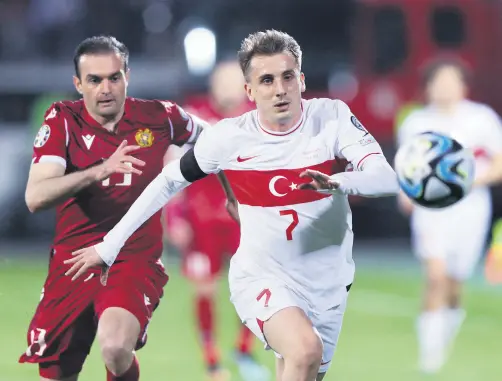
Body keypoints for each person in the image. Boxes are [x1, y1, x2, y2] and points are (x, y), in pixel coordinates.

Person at [65, 30, 399, 381]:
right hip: (262, 276)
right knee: (304, 349)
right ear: (250, 91)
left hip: (328, 282)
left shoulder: (331, 117)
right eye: (266, 80)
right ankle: (216, 359)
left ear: (301, 80)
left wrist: (339, 182)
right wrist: (110, 245)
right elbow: (166, 182)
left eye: (287, 77)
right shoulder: (229, 137)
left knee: (303, 365)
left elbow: (386, 178)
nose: (279, 89)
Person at [18, 35, 225, 381]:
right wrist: (99, 170)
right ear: (78, 84)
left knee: (115, 347)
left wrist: (233, 197)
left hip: (133, 258)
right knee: (58, 371)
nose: (105, 88)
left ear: (127, 76)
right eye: (94, 80)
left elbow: (218, 142)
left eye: (114, 77)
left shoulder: (160, 116)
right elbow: (35, 197)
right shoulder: (63, 121)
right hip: (74, 261)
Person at [164, 61, 269, 381]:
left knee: (252, 288)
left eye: (233, 82)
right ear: (212, 84)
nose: (228, 88)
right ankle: (212, 361)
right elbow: (172, 167)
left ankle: (243, 349)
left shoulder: (258, 118)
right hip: (201, 220)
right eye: (222, 81)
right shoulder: (193, 116)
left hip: (244, 219)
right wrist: (174, 216)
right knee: (205, 290)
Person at [396, 59, 502, 374]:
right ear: (428, 86)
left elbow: (499, 163)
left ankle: (448, 327)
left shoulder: (481, 118)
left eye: (450, 81)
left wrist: (469, 180)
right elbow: (405, 166)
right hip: (432, 210)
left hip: (470, 209)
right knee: (435, 275)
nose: (444, 88)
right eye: (438, 81)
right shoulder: (415, 121)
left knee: (454, 282)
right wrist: (406, 193)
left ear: (462, 86)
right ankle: (429, 357)